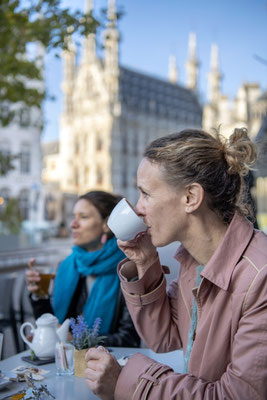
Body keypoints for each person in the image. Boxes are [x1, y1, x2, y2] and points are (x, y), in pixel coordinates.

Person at [84, 128, 267, 399]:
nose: (137, 208)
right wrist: (146, 262)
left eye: (146, 194)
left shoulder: (260, 277)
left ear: (191, 198)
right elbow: (163, 337)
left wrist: (126, 382)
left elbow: (236, 395)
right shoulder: (193, 262)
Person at [26, 190, 140, 348]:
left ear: (106, 224)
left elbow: (129, 340)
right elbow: (56, 327)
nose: (73, 224)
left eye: (83, 217)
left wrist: (77, 340)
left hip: (107, 366)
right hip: (63, 364)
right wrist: (39, 296)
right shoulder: (67, 265)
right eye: (74, 217)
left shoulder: (128, 270)